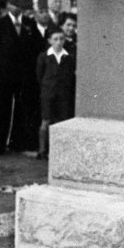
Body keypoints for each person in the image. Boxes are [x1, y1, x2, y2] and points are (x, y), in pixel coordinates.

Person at [0, 0, 45, 154]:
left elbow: (38, 45)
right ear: (7, 5)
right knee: (2, 109)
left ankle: (17, 143)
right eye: (13, 3)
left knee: (22, 109)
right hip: (4, 75)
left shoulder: (29, 23)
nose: (16, 7)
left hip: (24, 76)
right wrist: (2, 65)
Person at [35, 26, 76, 160]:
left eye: (61, 39)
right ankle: (42, 150)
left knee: (61, 121)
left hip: (63, 94)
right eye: (56, 39)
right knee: (46, 121)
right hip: (48, 93)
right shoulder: (44, 56)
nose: (59, 42)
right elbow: (39, 75)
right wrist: (47, 87)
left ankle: (59, 150)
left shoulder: (68, 57)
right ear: (50, 41)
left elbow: (70, 76)